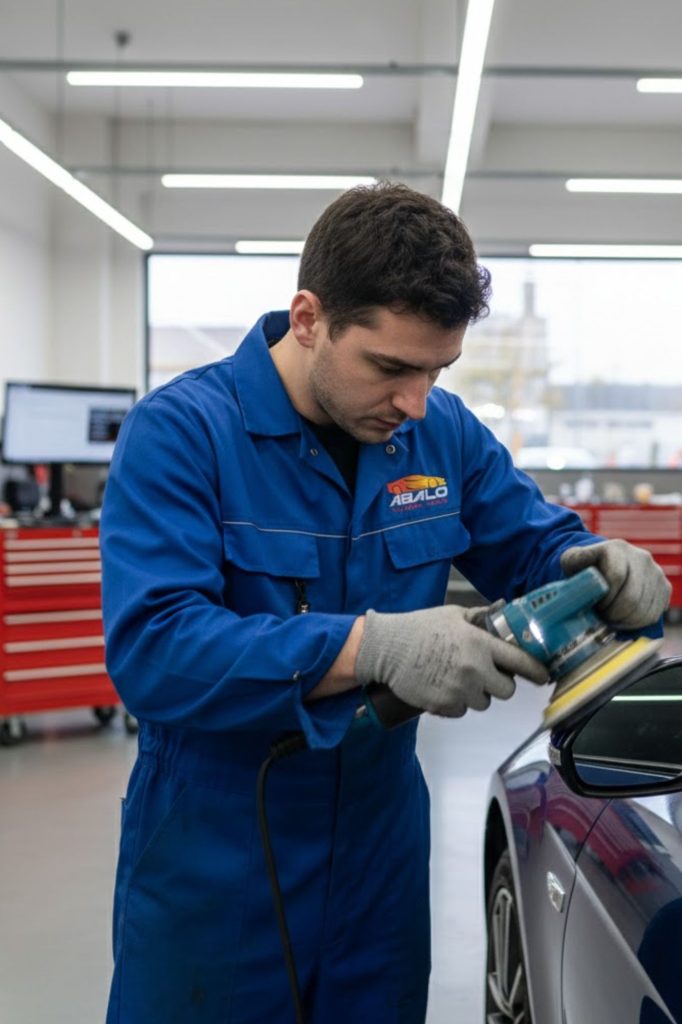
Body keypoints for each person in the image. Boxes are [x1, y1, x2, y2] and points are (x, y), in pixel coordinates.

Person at [101, 182, 671, 1024]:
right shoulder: (183, 435)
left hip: (380, 846)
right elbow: (155, 647)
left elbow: (531, 543)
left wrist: (597, 565)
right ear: (308, 318)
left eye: (436, 370)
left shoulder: (441, 433)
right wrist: (368, 648)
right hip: (211, 856)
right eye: (392, 367)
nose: (413, 401)